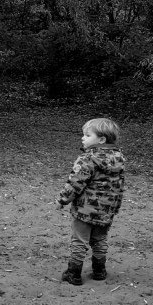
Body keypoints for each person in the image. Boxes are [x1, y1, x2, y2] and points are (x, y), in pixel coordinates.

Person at [55, 118, 125, 285]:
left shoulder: (88, 158)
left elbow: (75, 183)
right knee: (99, 239)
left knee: (79, 240)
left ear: (101, 139)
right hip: (107, 209)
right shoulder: (118, 157)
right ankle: (99, 271)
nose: (83, 138)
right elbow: (119, 184)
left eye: (87, 135)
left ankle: (74, 273)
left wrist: (62, 200)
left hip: (85, 209)